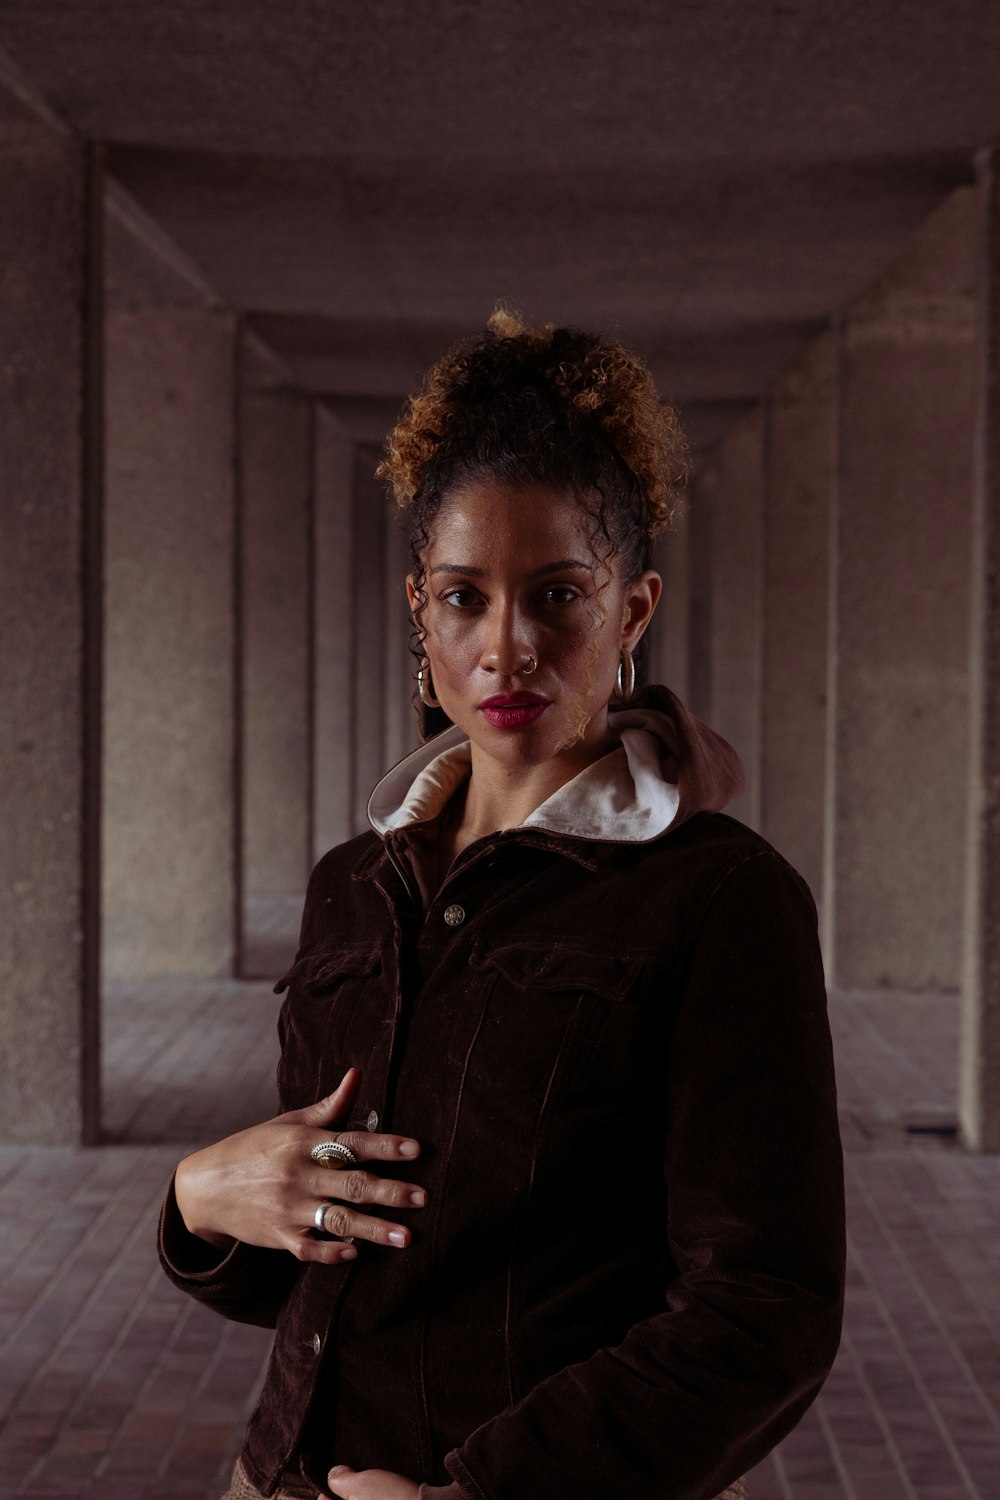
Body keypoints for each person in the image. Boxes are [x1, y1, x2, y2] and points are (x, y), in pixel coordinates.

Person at [159, 310, 846, 1500]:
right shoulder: (352, 884)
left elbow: (764, 1308)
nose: (506, 647)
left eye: (558, 596)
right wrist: (202, 1205)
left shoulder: (720, 899)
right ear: (418, 616)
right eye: (465, 598)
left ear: (631, 611)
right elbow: (346, 1262)